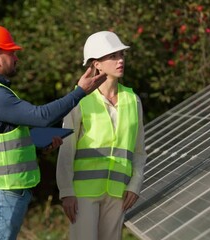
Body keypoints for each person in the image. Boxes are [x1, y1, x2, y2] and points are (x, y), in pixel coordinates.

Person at [0, 25, 106, 240]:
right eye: (12, 53)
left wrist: (37, 145)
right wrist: (80, 92)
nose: (16, 58)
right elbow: (41, 116)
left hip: (2, 191)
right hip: (1, 191)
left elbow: (4, 143)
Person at [56, 31, 147, 240]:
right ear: (96, 64)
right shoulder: (79, 100)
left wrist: (135, 184)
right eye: (113, 56)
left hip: (118, 193)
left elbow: (140, 151)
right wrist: (66, 191)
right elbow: (67, 148)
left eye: (121, 55)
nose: (120, 60)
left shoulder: (133, 100)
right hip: (83, 193)